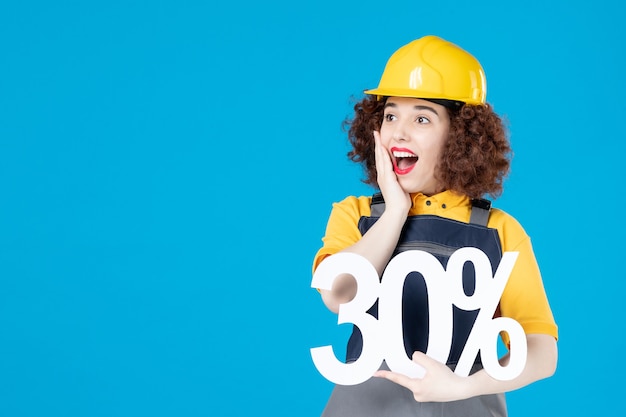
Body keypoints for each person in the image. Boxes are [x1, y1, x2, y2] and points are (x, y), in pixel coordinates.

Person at [312, 35, 558, 417]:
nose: (399, 132)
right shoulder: (355, 215)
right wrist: (395, 211)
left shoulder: (500, 231)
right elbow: (338, 295)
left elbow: (541, 351)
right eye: (391, 115)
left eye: (422, 118)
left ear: (461, 137)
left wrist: (462, 386)